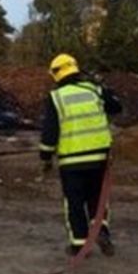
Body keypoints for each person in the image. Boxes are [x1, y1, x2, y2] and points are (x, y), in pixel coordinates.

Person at [39, 54, 122, 257]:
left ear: (56, 74)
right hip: (99, 158)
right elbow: (116, 107)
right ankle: (101, 231)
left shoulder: (56, 97)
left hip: (72, 160)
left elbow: (50, 131)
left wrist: (45, 157)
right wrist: (104, 89)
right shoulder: (93, 89)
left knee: (74, 201)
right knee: (97, 198)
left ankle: (79, 245)